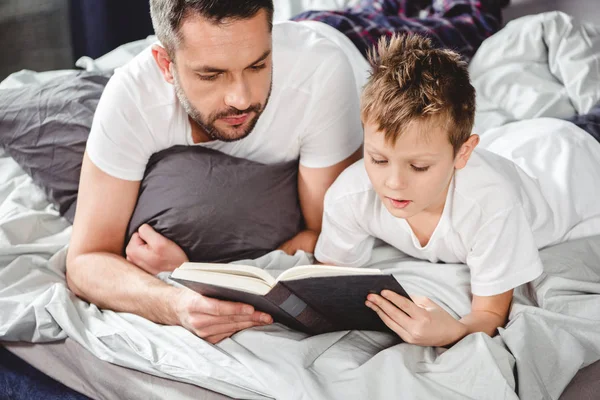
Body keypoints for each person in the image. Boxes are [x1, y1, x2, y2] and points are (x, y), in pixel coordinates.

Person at [66, 0, 365, 344]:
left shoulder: (320, 72)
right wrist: (175, 303)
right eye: (211, 74)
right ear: (166, 64)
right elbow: (85, 260)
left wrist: (192, 270)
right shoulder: (133, 96)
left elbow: (323, 237)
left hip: (354, 40)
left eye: (258, 65)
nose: (240, 98)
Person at [313, 33, 600, 347]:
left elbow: (490, 314)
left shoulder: (490, 205)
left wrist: (452, 331)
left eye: (419, 166)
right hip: (514, 146)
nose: (393, 182)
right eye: (378, 159)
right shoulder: (350, 195)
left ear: (463, 154)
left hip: (572, 160)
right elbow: (331, 280)